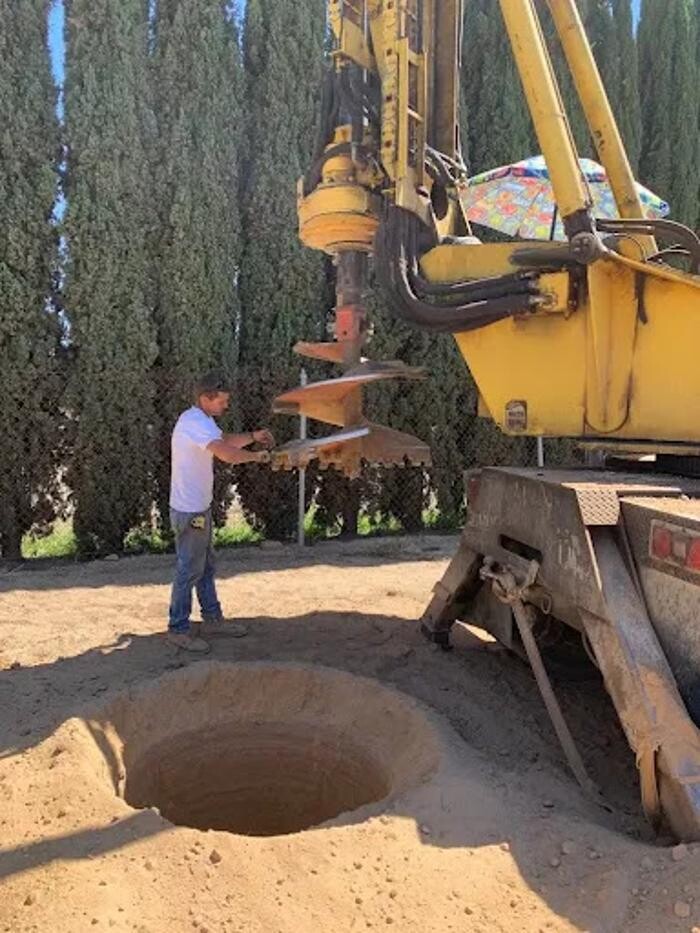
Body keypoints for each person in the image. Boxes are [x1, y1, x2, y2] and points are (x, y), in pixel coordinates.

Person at [167, 370, 274, 652]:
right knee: (190, 569)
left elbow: (223, 439)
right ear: (205, 398)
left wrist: (252, 437)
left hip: (198, 508)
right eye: (222, 401)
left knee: (205, 566)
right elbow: (225, 453)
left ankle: (213, 619)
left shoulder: (203, 421)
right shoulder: (193, 422)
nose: (226, 405)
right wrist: (257, 456)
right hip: (191, 512)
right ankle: (178, 628)